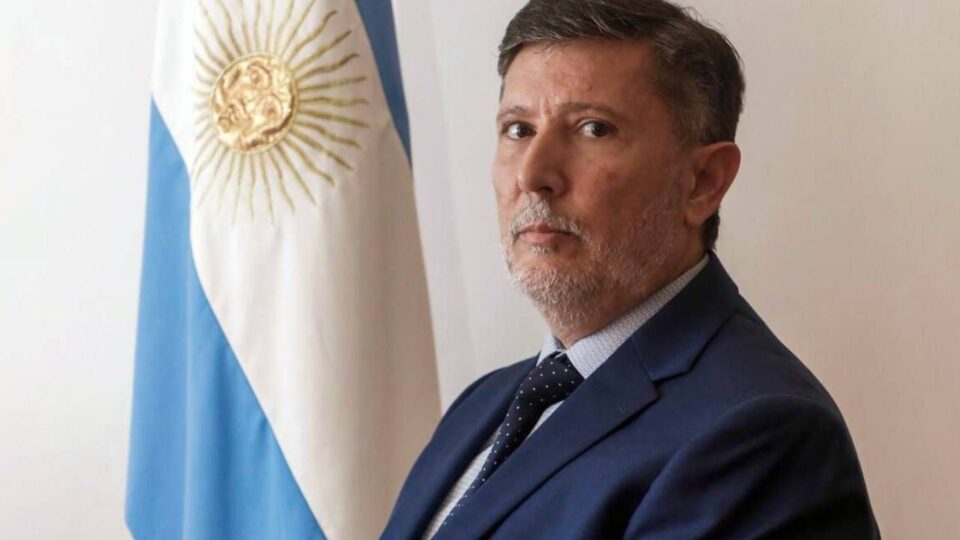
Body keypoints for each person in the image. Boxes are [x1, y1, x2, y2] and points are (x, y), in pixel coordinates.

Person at [383, 0, 880, 538]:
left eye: (593, 129)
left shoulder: (763, 431)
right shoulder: (480, 407)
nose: (533, 174)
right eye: (518, 129)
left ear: (703, 182)